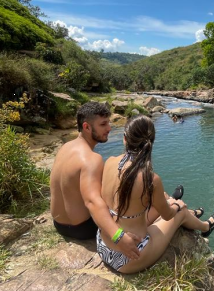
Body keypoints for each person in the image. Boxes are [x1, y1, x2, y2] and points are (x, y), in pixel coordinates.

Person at [96, 115, 214, 274]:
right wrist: (176, 206)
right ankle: (205, 226)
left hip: (103, 244)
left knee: (164, 199)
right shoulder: (150, 179)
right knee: (180, 211)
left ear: (125, 138)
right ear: (151, 142)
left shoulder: (109, 161)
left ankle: (188, 212)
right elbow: (168, 215)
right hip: (130, 256)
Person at [49, 102, 144, 260]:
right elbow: (92, 201)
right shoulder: (92, 159)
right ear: (86, 127)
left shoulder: (65, 147)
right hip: (82, 229)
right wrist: (118, 237)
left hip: (59, 224)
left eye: (108, 123)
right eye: (103, 124)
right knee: (132, 201)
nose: (109, 128)